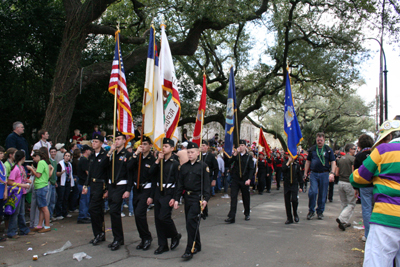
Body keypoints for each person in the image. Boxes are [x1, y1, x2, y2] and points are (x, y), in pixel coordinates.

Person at [350, 120, 400, 267]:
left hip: (385, 218)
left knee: (377, 262)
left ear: (389, 137)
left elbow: (358, 177)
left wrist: (376, 176)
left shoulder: (383, 150)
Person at [174, 142, 210, 260]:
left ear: (198, 153)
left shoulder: (203, 166)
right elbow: (180, 185)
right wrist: (176, 199)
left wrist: (205, 199)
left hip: (197, 198)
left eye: (192, 152)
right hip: (187, 198)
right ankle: (197, 244)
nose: (190, 154)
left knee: (191, 222)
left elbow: (206, 185)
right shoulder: (184, 167)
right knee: (191, 223)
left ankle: (189, 249)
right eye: (188, 152)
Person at [150, 138, 181, 255]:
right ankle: (162, 245)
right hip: (158, 191)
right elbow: (151, 174)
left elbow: (178, 182)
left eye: (166, 146)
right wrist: (157, 160)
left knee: (164, 217)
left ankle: (175, 235)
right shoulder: (160, 161)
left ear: (172, 149)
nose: (163, 148)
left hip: (169, 192)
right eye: (163, 146)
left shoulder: (175, 163)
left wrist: (175, 197)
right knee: (158, 219)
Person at [82, 133, 112, 246]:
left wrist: (107, 188)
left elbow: (107, 172)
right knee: (97, 210)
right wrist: (86, 185)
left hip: (101, 185)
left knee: (94, 209)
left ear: (100, 143)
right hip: (93, 185)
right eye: (93, 141)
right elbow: (90, 172)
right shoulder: (92, 156)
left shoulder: (104, 155)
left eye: (96, 142)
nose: (93, 143)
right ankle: (98, 234)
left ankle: (100, 233)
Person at [104, 132, 132, 251]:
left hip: (121, 186)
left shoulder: (127, 155)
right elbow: (104, 167)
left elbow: (130, 174)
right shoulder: (112, 154)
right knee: (113, 212)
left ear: (124, 141)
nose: (116, 141)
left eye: (119, 139)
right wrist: (110, 152)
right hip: (111, 185)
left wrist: (128, 190)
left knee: (115, 211)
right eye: (115, 139)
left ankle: (118, 238)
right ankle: (118, 238)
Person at [129, 136, 155, 251]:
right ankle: (143, 238)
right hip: (136, 189)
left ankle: (147, 237)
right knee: (137, 215)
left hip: (146, 189)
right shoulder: (137, 157)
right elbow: (128, 167)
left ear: (150, 145)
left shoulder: (152, 160)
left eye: (145, 144)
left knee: (140, 214)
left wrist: (151, 196)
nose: (143, 146)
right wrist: (135, 154)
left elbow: (155, 179)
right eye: (141, 144)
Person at [303, 132, 336, 220]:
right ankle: (311, 211)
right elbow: (308, 161)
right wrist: (305, 172)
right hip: (314, 173)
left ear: (324, 140)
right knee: (312, 192)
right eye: (318, 140)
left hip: (324, 173)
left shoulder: (328, 150)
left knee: (322, 193)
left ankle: (320, 211)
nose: (319, 142)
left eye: (321, 140)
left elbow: (333, 161)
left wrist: (332, 173)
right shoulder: (312, 149)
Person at [225, 139, 254, 223]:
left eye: (242, 145)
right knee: (233, 197)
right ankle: (232, 216)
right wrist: (234, 154)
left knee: (246, 197)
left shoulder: (249, 156)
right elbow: (229, 162)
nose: (240, 147)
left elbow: (251, 169)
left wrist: (249, 179)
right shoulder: (236, 155)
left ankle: (247, 213)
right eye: (239, 145)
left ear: (245, 146)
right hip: (236, 179)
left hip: (244, 180)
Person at [6, 150, 33, 238]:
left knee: (21, 212)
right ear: (23, 158)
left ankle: (23, 229)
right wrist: (22, 184)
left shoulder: (20, 167)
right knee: (16, 212)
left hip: (22, 192)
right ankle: (12, 232)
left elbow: (20, 178)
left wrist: (26, 180)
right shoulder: (16, 168)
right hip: (16, 193)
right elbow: (10, 182)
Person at [353, 134, 374, 241]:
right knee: (376, 209)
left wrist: (355, 188)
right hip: (377, 185)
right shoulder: (376, 154)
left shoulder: (359, 156)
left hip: (364, 186)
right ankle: (377, 234)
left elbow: (355, 173)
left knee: (366, 210)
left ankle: (368, 234)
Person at [27, 150, 53, 233]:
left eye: (34, 157)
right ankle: (39, 225)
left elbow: (38, 175)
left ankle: (47, 225)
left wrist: (31, 169)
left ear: (38, 156)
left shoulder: (41, 163)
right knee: (41, 207)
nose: (34, 159)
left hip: (41, 186)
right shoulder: (44, 162)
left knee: (44, 207)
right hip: (43, 186)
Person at [335, 144, 356, 231]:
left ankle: (344, 222)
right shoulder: (352, 159)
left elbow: (337, 173)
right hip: (349, 182)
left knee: (344, 203)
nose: (355, 150)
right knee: (351, 203)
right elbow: (353, 172)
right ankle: (342, 218)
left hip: (340, 182)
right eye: (354, 149)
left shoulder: (340, 160)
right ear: (350, 149)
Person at [282, 155, 302, 224]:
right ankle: (289, 218)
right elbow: (283, 170)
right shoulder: (285, 163)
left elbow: (299, 176)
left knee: (294, 200)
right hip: (287, 184)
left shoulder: (297, 165)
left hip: (294, 184)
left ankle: (295, 213)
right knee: (287, 201)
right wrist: (288, 162)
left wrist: (301, 186)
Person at [55, 151, 74, 220]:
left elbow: (71, 174)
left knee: (66, 198)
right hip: (61, 183)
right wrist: (61, 173)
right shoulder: (60, 164)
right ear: (63, 156)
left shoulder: (69, 164)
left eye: (68, 156)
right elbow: (57, 173)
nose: (67, 157)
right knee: (60, 198)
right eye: (66, 155)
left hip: (68, 182)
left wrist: (72, 183)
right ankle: (58, 213)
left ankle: (64, 212)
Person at [77, 145, 92, 224]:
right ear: (86, 151)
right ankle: (82, 216)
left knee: (86, 200)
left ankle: (85, 215)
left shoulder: (82, 159)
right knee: (84, 200)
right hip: (84, 184)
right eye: (89, 150)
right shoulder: (84, 160)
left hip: (83, 183)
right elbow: (87, 172)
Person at [48, 147, 58, 220]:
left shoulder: (55, 162)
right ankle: (48, 217)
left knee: (53, 200)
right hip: (50, 183)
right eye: (52, 152)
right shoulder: (49, 161)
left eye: (54, 152)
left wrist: (55, 182)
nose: (53, 153)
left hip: (54, 183)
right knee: (49, 201)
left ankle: (50, 215)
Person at [0, 146, 7, 242]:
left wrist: (5, 191)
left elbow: (5, 179)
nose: (2, 155)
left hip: (1, 192)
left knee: (0, 214)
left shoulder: (2, 164)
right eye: (0, 153)